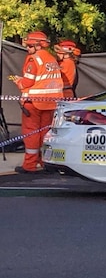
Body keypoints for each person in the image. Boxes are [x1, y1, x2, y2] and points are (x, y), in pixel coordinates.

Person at [10, 31, 64, 174]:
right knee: (45, 133)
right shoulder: (51, 59)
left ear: (37, 46)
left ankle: (30, 165)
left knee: (31, 133)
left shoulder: (33, 59)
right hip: (51, 102)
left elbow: (28, 82)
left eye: (29, 46)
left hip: (33, 103)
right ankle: (45, 161)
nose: (27, 49)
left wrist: (18, 81)